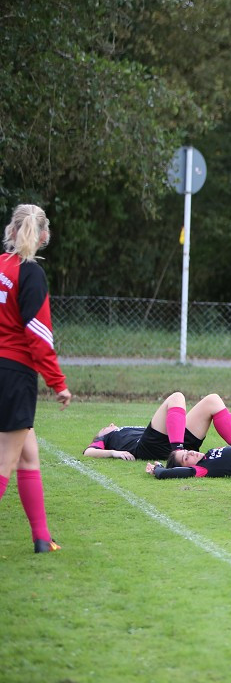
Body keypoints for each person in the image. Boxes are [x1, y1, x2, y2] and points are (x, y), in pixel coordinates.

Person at [0, 204, 72, 553]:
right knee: (5, 461)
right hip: (13, 376)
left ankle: (41, 538)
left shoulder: (1, 265)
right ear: (43, 235)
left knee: (28, 455)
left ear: (11, 230)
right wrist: (58, 382)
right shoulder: (31, 273)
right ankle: (41, 538)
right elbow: (38, 335)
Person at [84, 392, 231, 461]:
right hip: (149, 447)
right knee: (177, 397)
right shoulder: (107, 436)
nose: (110, 425)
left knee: (213, 400)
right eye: (106, 426)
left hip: (175, 439)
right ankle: (177, 453)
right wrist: (113, 453)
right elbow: (88, 452)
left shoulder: (125, 429)